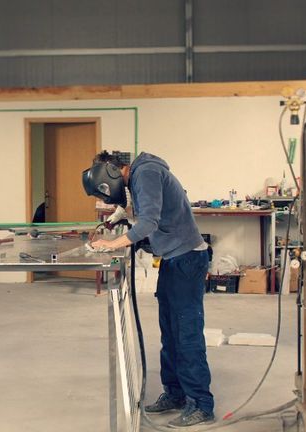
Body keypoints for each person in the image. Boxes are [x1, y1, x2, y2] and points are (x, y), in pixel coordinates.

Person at [82, 151, 214, 428]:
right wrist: (117, 217)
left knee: (186, 333)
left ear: (116, 172)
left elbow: (149, 221)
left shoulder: (146, 173)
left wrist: (113, 244)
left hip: (186, 259)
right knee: (170, 330)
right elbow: (144, 209)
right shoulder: (141, 176)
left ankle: (201, 404)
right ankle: (176, 394)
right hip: (173, 258)